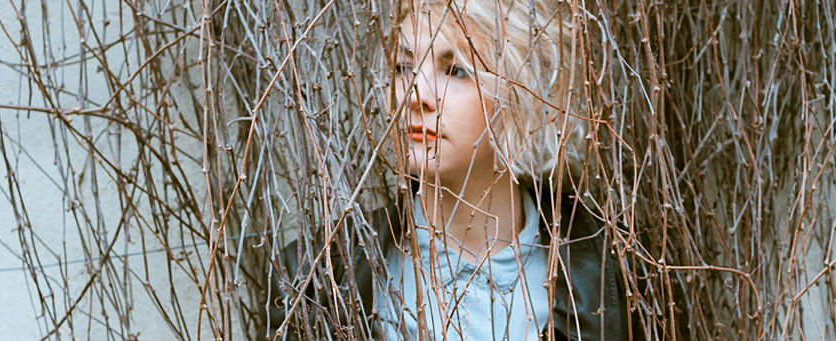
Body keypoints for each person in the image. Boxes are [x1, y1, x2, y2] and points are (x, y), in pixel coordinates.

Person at [269, 0, 629, 340]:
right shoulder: (317, 276)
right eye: (403, 68)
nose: (415, 94)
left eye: (455, 71)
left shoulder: (613, 268)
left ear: (523, 94)